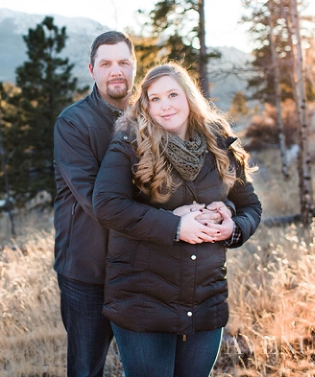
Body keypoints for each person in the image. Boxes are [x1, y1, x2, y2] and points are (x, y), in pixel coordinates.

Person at [53, 34, 227, 377]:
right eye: (105, 64)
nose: (115, 71)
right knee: (87, 368)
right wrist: (173, 219)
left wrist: (215, 211)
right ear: (92, 70)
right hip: (88, 269)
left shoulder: (153, 115)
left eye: (123, 63)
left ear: (134, 68)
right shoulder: (73, 123)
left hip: (144, 269)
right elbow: (97, 202)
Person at [92, 63, 262, 377]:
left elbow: (250, 206)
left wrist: (234, 227)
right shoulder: (130, 146)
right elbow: (107, 205)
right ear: (145, 105)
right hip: (142, 302)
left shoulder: (219, 145)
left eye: (172, 94)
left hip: (204, 300)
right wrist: (176, 226)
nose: (164, 105)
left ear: (189, 96)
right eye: (154, 98)